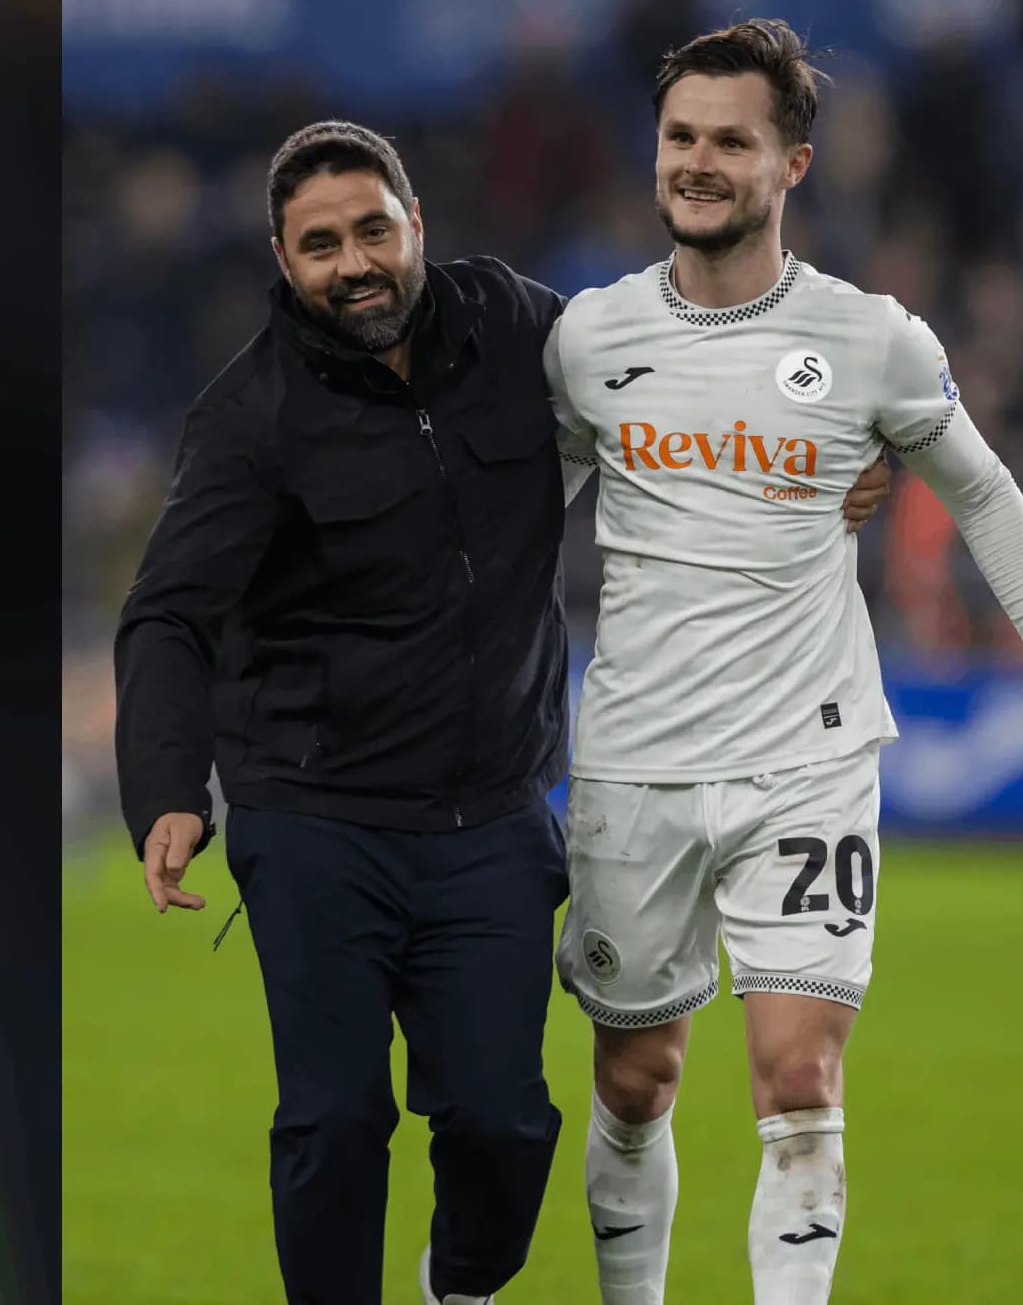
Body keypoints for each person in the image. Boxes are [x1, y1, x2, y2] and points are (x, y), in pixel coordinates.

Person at [112, 120, 892, 1305]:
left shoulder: (517, 325)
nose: (353, 262)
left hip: (489, 819)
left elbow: (668, 379)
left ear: (415, 223)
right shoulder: (248, 415)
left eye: (372, 230)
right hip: (314, 817)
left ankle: (458, 1284)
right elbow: (168, 613)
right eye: (320, 245)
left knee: (503, 1123)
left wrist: (833, 446)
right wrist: (168, 787)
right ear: (283, 259)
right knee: (333, 1118)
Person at [545, 20, 1023, 1305]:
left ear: (790, 164)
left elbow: (981, 489)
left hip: (806, 754)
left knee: (799, 1075)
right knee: (634, 1077)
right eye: (678, 137)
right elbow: (517, 511)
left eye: (729, 141)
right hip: (632, 758)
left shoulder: (870, 340)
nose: (697, 161)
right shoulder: (588, 337)